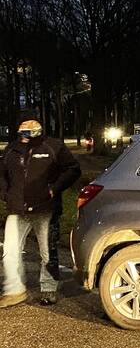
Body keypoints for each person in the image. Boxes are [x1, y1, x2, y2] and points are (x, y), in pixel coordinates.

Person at [0, 118, 81, 308]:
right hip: (17, 208)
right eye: (24, 125)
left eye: (32, 124)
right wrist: (5, 193)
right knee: (10, 252)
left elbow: (73, 169)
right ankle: (14, 290)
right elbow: (2, 174)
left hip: (46, 209)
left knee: (47, 252)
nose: (28, 128)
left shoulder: (53, 146)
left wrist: (54, 188)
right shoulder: (11, 149)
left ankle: (48, 288)